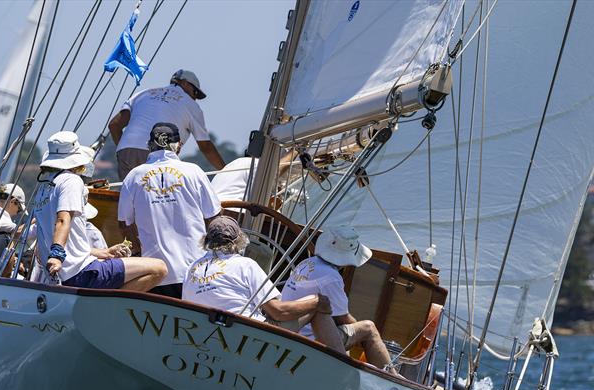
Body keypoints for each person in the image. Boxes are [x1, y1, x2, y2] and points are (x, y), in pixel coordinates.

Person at [183, 216, 344, 349]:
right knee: (317, 304)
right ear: (238, 241)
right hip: (247, 340)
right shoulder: (245, 265)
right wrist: (318, 302)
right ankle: (341, 368)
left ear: (206, 241)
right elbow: (278, 312)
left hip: (203, 337)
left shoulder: (192, 267)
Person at [33, 130, 166, 290]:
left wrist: (104, 252)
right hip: (82, 272)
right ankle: (108, 308)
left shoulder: (43, 187)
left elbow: (57, 238)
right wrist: (56, 256)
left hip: (64, 276)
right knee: (159, 268)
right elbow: (63, 220)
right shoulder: (71, 180)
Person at [118, 122, 221, 298]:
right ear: (179, 145)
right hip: (197, 270)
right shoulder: (194, 171)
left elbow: (124, 224)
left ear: (149, 145)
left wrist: (137, 250)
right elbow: (215, 218)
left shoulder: (134, 176)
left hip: (155, 272)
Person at [281, 227, 398, 373]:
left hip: (292, 330)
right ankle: (393, 378)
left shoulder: (307, 262)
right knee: (369, 328)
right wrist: (366, 340)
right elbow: (343, 319)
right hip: (311, 338)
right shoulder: (331, 277)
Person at [108, 69, 225, 179]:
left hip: (126, 151)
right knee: (159, 197)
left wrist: (128, 148)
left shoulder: (142, 94)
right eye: (195, 92)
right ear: (184, 83)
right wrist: (226, 172)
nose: (195, 98)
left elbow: (114, 125)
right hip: (157, 155)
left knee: (130, 196)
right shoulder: (191, 105)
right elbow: (206, 147)